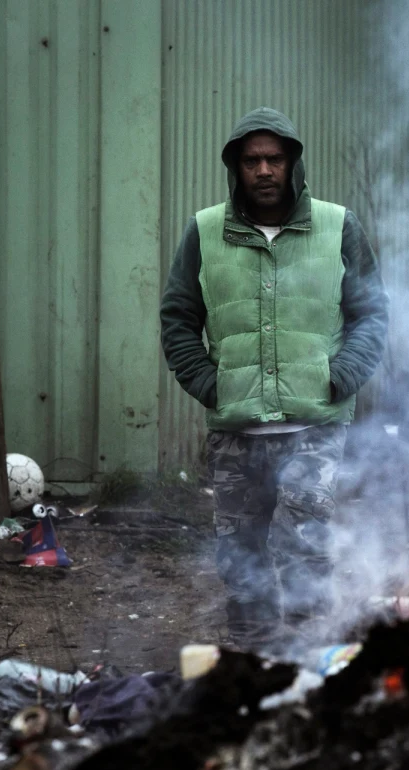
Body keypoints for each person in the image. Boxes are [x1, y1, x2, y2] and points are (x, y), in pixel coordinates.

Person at [160, 107, 388, 649]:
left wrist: (344, 375)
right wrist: (209, 385)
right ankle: (254, 660)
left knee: (306, 542)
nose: (264, 170)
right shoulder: (205, 230)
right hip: (237, 428)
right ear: (235, 168)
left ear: (293, 163)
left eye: (275, 159)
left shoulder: (337, 226)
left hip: (314, 422)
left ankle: (313, 657)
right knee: (240, 553)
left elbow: (370, 313)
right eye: (252, 160)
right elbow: (178, 318)